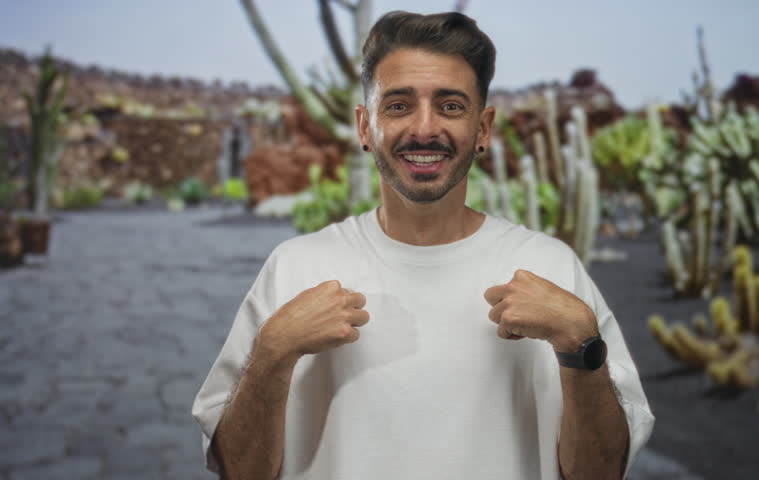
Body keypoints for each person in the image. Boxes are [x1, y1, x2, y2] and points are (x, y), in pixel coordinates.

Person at [192, 10, 654, 480]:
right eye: (398, 105)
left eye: (451, 106)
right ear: (365, 127)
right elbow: (237, 471)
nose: (424, 128)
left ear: (483, 128)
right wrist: (271, 353)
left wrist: (580, 341)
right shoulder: (294, 267)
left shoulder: (550, 266)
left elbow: (601, 474)